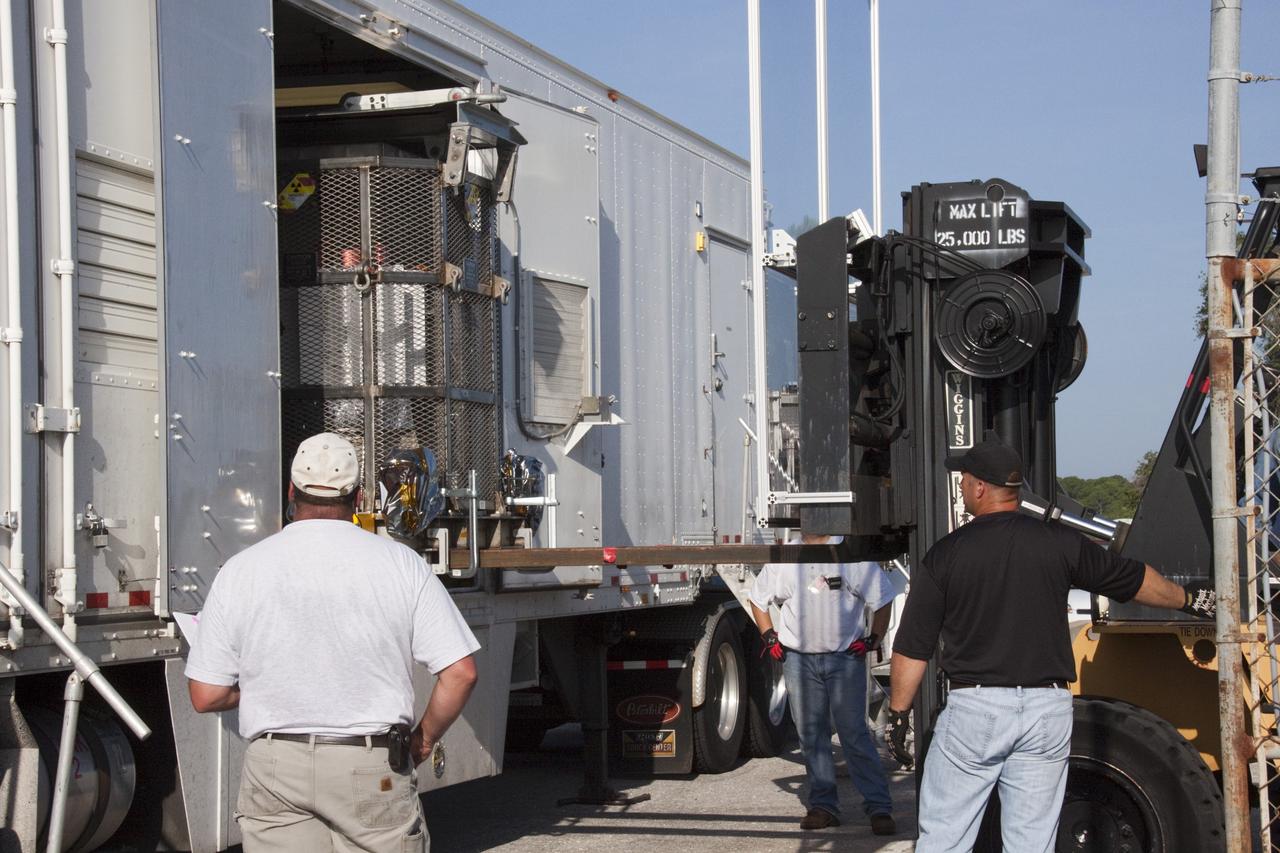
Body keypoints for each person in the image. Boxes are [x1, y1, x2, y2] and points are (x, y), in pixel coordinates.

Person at [886, 439, 1216, 853]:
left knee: (945, 840)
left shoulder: (946, 555)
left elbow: (913, 648)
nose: (963, 487)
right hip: (1047, 712)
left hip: (978, 710)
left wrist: (899, 715)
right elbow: (1133, 580)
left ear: (981, 488)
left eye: (966, 480)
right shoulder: (1060, 543)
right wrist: (1189, 599)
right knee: (1031, 844)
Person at [185, 432, 480, 852]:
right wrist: (424, 740)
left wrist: (268, 684)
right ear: (358, 497)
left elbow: (205, 694)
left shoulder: (241, 570)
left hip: (274, 768)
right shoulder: (401, 564)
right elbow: (461, 672)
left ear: (291, 490)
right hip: (368, 763)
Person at [749, 532, 899, 835]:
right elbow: (757, 598)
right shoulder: (786, 556)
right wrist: (769, 636)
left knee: (854, 735)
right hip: (798, 660)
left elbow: (883, 599)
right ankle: (823, 806)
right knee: (811, 736)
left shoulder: (850, 552)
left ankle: (879, 807)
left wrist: (873, 639)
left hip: (845, 658)